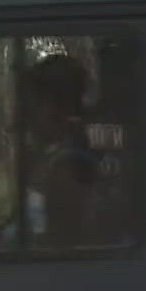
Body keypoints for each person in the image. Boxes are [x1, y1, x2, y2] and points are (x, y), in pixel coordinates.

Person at [15, 51, 100, 249]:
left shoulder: (65, 169)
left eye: (32, 106)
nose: (25, 117)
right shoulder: (48, 159)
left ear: (56, 108)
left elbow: (58, 249)